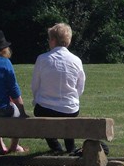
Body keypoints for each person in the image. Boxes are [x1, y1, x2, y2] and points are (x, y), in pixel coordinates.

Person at [31, 23, 85, 154]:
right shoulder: (76, 60)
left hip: (46, 108)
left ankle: (56, 147)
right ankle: (70, 147)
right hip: (70, 108)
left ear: (53, 40)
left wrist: (37, 99)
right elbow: (80, 87)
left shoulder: (42, 59)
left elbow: (35, 85)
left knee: (39, 111)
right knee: (68, 113)